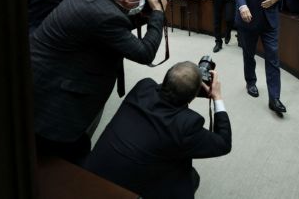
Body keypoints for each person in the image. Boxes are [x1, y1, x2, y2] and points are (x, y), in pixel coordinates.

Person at [31, 0, 166, 164]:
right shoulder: (106, 16)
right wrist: (158, 13)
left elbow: (115, 32)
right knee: (65, 157)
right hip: (57, 96)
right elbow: (145, 53)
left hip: (46, 72)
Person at [84, 62, 232, 198]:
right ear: (192, 96)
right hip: (122, 192)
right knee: (191, 177)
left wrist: (186, 82)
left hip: (91, 172)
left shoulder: (143, 87)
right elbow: (223, 143)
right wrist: (217, 97)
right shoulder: (187, 124)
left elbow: (167, 88)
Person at [232, 0, 286, 115]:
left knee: (273, 57)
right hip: (249, 17)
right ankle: (251, 82)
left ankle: (274, 98)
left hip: (270, 18)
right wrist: (242, 6)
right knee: (249, 53)